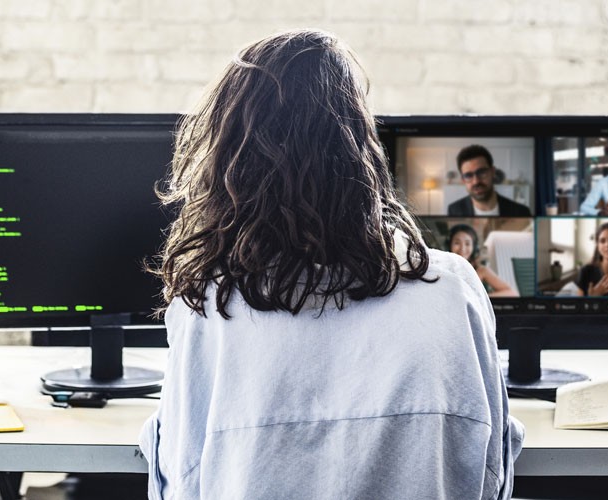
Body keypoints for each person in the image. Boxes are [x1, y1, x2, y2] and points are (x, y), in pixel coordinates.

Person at [139, 29, 522, 499]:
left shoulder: (210, 307)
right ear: (362, 151)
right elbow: (492, 470)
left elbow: (181, 483)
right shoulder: (452, 287)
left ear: (231, 163)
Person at [447, 144, 532, 217]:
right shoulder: (454, 210)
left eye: (481, 172)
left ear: (493, 172)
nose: (476, 181)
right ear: (463, 180)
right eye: (468, 176)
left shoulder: (521, 212)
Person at [449, 224, 519, 297]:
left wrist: (481, 299)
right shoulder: (443, 269)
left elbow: (512, 293)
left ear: (474, 248)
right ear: (449, 245)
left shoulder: (481, 271)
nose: (462, 249)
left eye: (467, 243)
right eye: (457, 243)